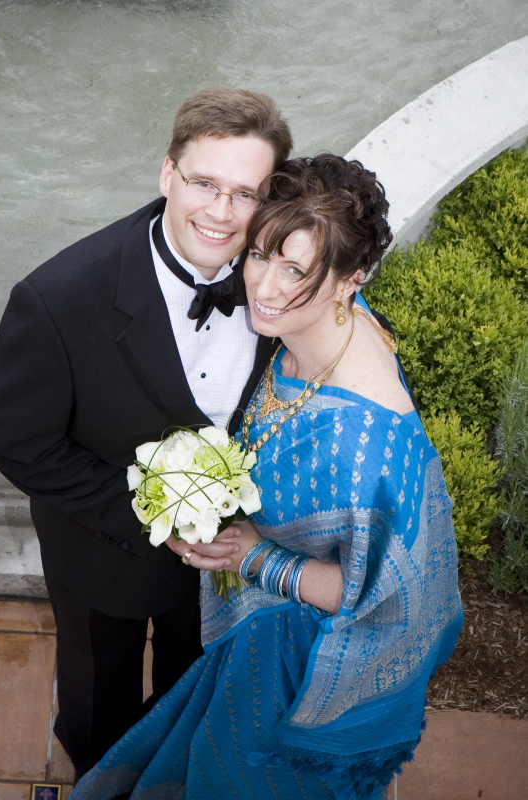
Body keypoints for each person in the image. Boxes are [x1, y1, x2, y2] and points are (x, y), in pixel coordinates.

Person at [69, 154, 463, 800]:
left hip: (298, 667)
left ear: (350, 280)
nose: (265, 287)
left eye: (296, 271)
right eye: (260, 255)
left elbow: (387, 596)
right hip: (258, 635)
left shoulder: (362, 443)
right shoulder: (326, 324)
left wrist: (254, 557)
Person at [0, 88, 293, 781]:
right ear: (167, 173)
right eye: (204, 183)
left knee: (196, 696)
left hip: (227, 565)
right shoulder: (58, 297)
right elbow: (10, 434)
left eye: (245, 193)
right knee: (98, 706)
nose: (221, 212)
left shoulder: (283, 282)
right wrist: (149, 515)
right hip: (102, 556)